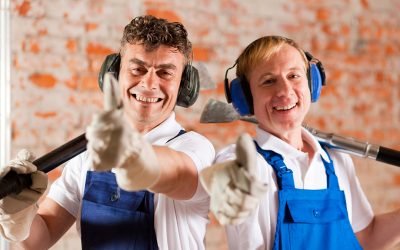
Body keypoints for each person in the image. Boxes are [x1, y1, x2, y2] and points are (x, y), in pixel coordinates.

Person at [0, 15, 215, 249]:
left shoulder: (195, 149)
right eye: (137, 69)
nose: (150, 83)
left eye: (165, 73)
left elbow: (177, 173)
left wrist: (131, 154)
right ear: (113, 74)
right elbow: (40, 239)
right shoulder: (86, 154)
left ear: (184, 85)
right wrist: (18, 214)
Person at [200, 36, 400, 250]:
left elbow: (366, 237)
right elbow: (229, 172)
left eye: (294, 76)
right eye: (268, 81)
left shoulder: (336, 160)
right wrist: (227, 179)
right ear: (245, 99)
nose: (285, 91)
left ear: (311, 84)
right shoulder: (249, 162)